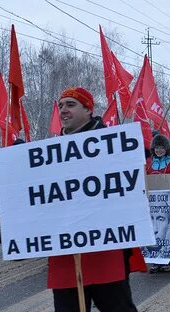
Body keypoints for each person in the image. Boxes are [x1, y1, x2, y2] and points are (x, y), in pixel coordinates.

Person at [49, 87, 145, 312]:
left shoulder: (113, 144)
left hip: (106, 248)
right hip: (66, 252)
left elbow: (129, 189)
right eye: (61, 105)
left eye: (71, 104)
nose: (63, 110)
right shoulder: (49, 152)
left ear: (88, 110)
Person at [146, 134, 170, 273]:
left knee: (169, 234)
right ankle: (156, 261)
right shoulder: (149, 163)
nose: (159, 150)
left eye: (161, 148)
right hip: (153, 208)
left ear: (166, 148)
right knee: (153, 234)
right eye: (156, 148)